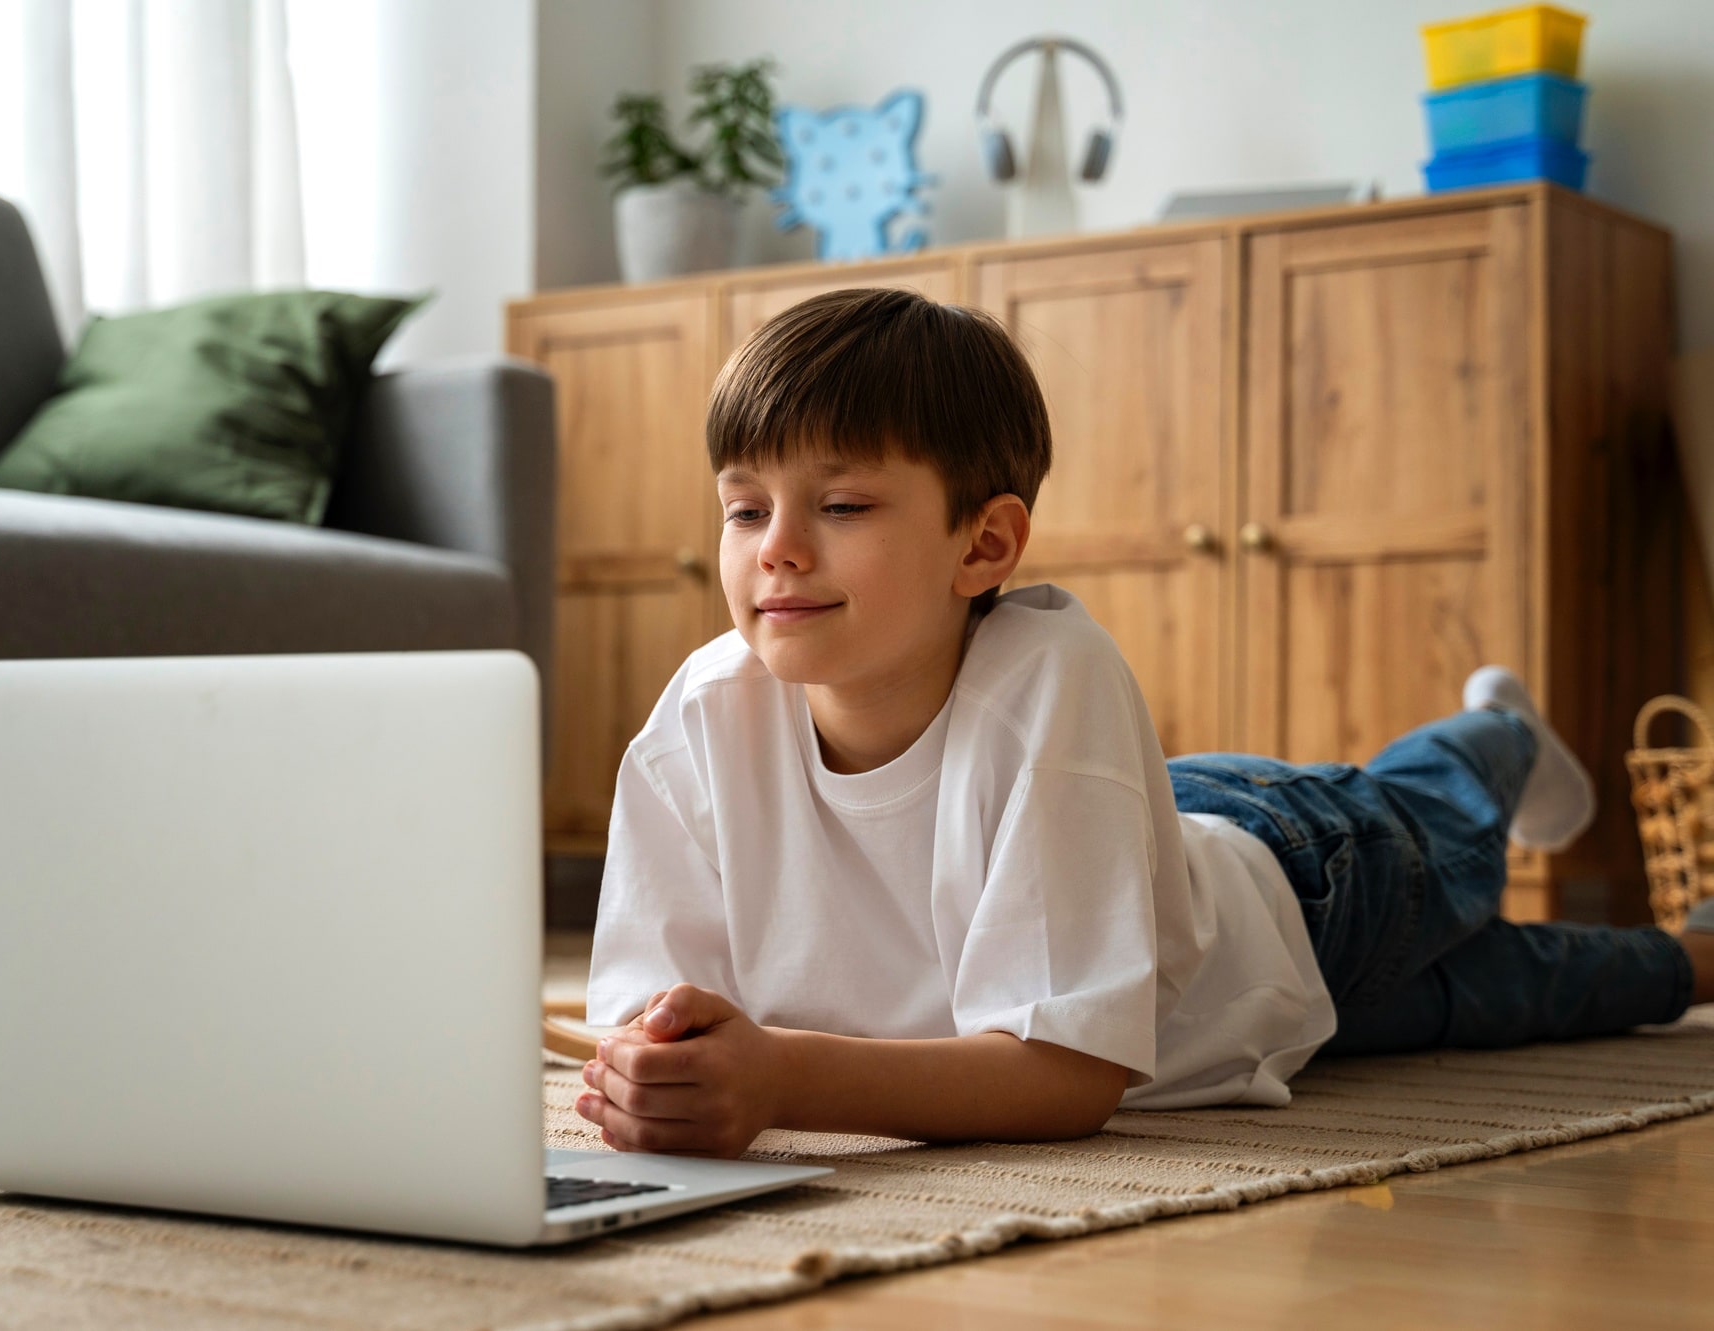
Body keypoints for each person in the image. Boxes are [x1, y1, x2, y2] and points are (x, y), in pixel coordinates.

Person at [576, 287, 1714, 1159]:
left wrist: (780, 1079)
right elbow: (647, 1025)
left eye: (840, 504)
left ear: (983, 545)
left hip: (1298, 886)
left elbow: (1066, 1081)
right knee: (1547, 993)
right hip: (1221, 996)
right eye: (742, 506)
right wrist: (664, 1071)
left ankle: (1495, 729)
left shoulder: (1050, 673)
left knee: (1438, 816)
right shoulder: (701, 716)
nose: (773, 545)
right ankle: (1696, 949)